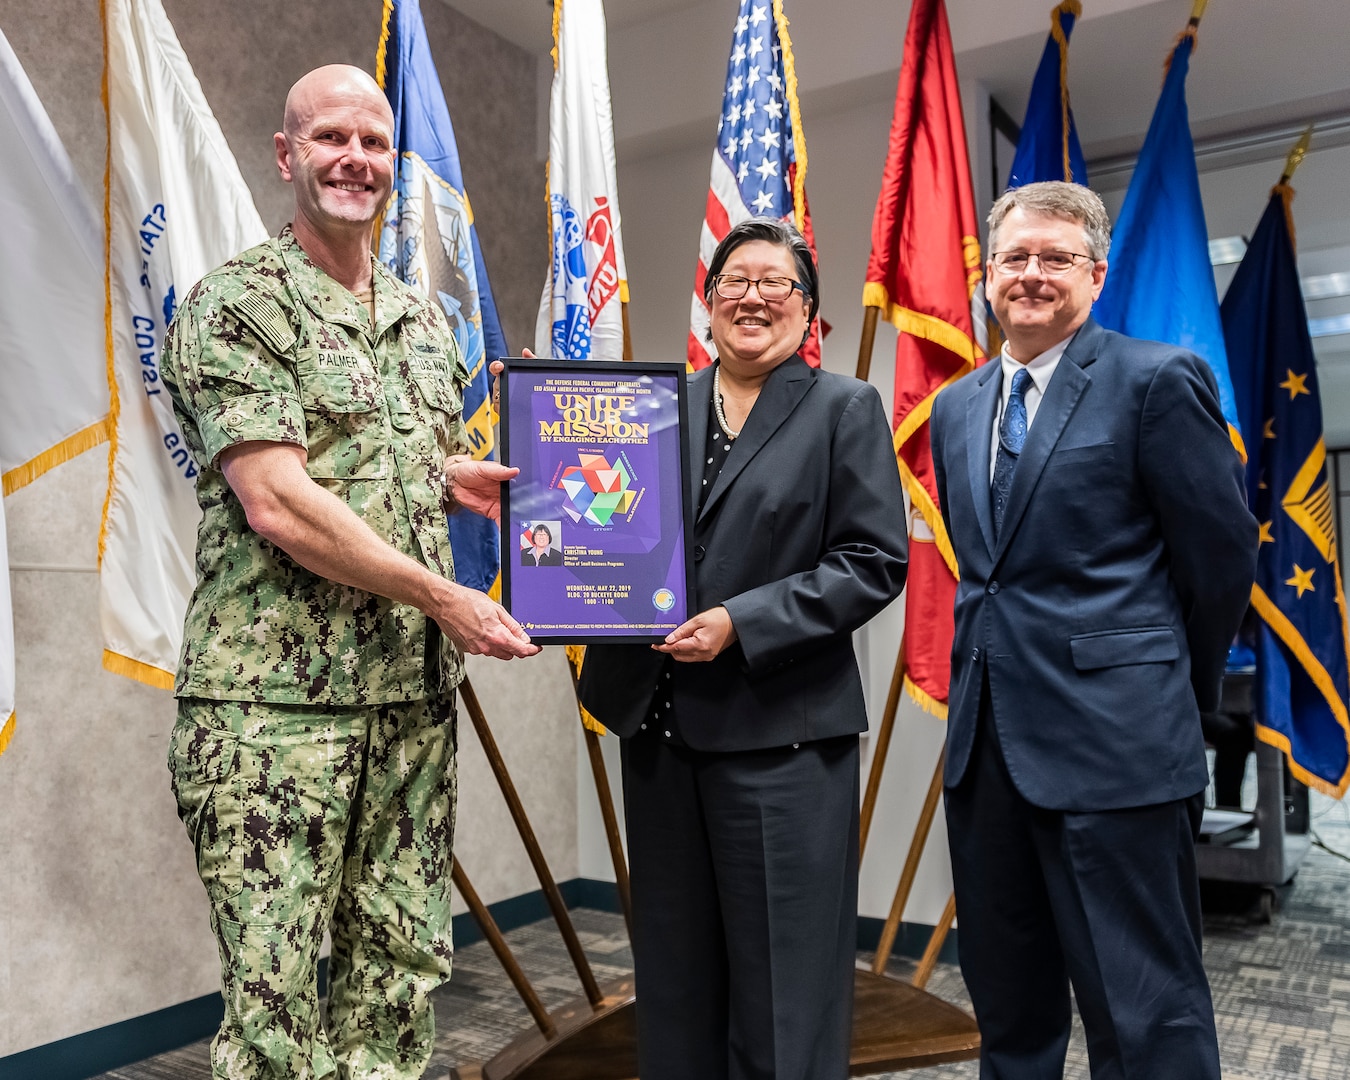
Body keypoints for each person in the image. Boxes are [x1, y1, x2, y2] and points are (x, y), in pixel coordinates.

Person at [160, 65, 539, 1080]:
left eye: (373, 144)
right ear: (287, 156)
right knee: (278, 1007)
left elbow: (378, 457)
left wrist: (452, 475)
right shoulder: (236, 305)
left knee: (400, 978)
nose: (355, 161)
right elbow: (276, 500)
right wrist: (443, 592)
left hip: (407, 709)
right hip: (274, 717)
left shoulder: (423, 324)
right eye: (331, 139)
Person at [929, 181, 1257, 1079]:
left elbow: (1221, 560)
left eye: (1055, 258)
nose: (1031, 275)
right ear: (988, 274)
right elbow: (984, 572)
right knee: (1010, 1009)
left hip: (1118, 750)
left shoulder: (1154, 380)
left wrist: (1160, 694)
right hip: (986, 752)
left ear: (1097, 274)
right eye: (1014, 258)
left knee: (1144, 1013)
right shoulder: (956, 409)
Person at [578, 218, 908, 1080]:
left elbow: (873, 563)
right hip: (658, 736)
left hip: (783, 745)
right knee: (676, 989)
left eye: (776, 283)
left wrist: (741, 622)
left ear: (807, 309)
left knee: (782, 998)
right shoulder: (648, 410)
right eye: (735, 281)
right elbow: (602, 531)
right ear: (709, 300)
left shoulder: (844, 407)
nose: (753, 296)